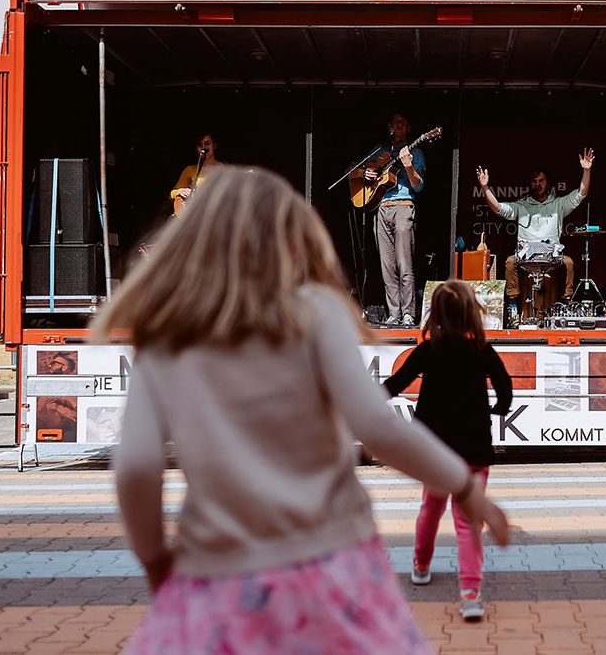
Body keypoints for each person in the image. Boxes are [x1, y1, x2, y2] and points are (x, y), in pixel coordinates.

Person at [92, 166, 509, 654]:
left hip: (216, 571)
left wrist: (154, 558)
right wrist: (463, 486)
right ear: (292, 241)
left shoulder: (165, 333)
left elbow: (137, 466)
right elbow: (377, 427)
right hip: (332, 566)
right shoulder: (316, 311)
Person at [383, 280, 513, 621]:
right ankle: (470, 594)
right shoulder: (482, 350)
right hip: (474, 447)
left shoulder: (429, 350)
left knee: (430, 508)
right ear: (472, 313)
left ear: (435, 314)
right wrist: (498, 407)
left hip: (435, 451)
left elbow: (396, 384)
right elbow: (505, 388)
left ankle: (421, 564)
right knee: (468, 522)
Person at [477, 149, 595, 320]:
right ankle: (512, 305)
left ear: (548, 184)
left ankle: (567, 303)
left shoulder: (558, 204)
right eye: (534, 181)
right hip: (527, 259)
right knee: (510, 262)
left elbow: (581, 194)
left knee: (568, 263)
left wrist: (586, 170)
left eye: (541, 181)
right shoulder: (522, 206)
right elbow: (498, 208)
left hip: (551, 259)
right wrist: (485, 187)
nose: (537, 184)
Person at [366, 113, 426, 327]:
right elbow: (357, 170)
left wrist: (408, 166)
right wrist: (368, 174)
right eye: (394, 122)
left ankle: (408, 313)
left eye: (403, 121)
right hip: (381, 207)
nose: (398, 125)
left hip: (403, 206)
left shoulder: (415, 152)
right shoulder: (379, 151)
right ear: (389, 126)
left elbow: (418, 186)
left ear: (409, 128)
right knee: (387, 265)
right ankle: (394, 313)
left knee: (404, 263)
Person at [169, 134, 222, 214]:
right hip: (198, 215)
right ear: (197, 149)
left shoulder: (227, 169)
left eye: (207, 143)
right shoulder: (190, 170)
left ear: (214, 146)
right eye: (200, 145)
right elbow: (172, 194)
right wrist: (179, 191)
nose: (203, 147)